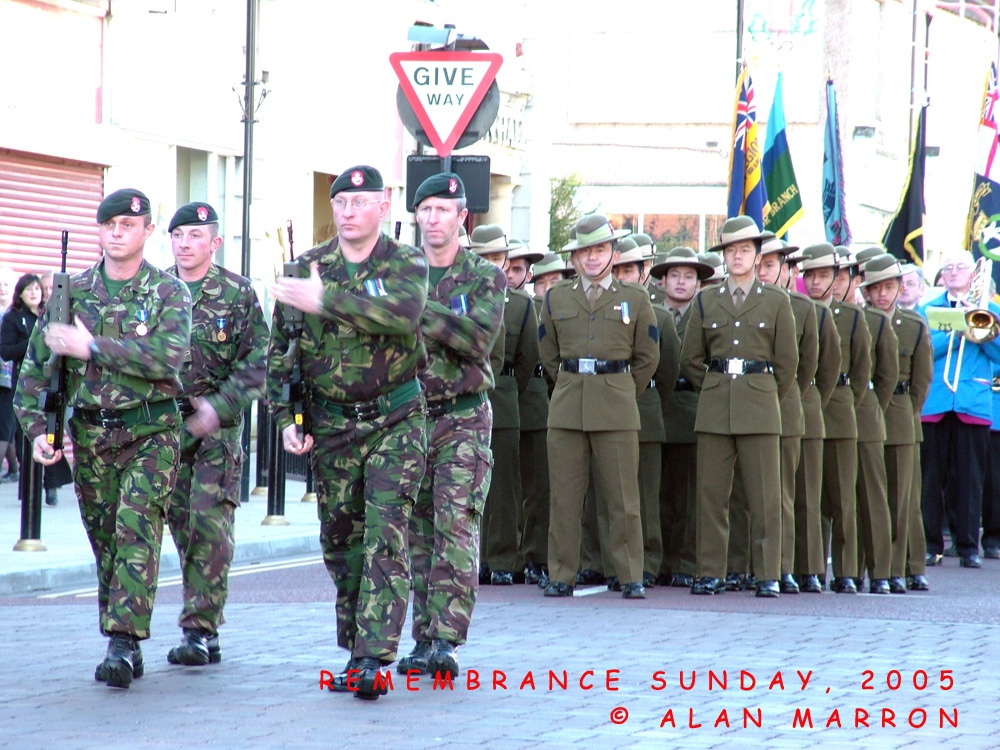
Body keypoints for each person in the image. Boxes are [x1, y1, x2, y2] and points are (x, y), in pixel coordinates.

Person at [15, 188, 191, 689]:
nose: (117, 233)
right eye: (109, 225)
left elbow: (167, 357)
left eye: (128, 225)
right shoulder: (71, 293)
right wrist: (37, 430)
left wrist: (91, 346)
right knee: (107, 540)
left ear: (147, 231)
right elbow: (34, 370)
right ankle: (123, 636)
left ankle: (122, 642)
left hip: (150, 431)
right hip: (92, 435)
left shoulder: (168, 292)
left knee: (136, 526)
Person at [268, 166, 428, 701]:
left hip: (395, 420)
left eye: (361, 202)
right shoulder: (307, 267)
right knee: (341, 541)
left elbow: (403, 315)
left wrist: (327, 301)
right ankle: (357, 646)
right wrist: (286, 420)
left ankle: (372, 658)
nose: (349, 211)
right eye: (341, 202)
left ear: (383, 206)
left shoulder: (404, 262)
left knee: (385, 531)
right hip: (332, 425)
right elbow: (280, 352)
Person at [398, 172, 504, 681]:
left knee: (455, 524)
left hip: (462, 417)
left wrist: (419, 308)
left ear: (463, 217)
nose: (433, 218)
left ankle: (447, 638)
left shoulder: (485, 276)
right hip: (409, 416)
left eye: (444, 210)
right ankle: (423, 637)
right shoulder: (400, 271)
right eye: (426, 209)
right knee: (416, 532)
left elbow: (478, 339)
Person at [164, 202, 268, 667]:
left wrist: (219, 407)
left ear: (215, 243)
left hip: (217, 431)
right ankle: (205, 620)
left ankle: (198, 630)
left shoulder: (237, 293)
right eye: (178, 235)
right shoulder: (157, 289)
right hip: (166, 429)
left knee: (209, 526)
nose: (185, 244)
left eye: (195, 235)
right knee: (181, 526)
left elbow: (258, 360)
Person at [538, 213, 659, 600]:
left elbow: (647, 357)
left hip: (616, 407)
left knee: (623, 498)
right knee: (565, 498)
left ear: (614, 254)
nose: (592, 257)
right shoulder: (556, 297)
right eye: (585, 251)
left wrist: (620, 389)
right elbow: (548, 354)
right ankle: (561, 573)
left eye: (600, 249)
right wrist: (572, 383)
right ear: (574, 258)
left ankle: (630, 575)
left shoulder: (635, 298)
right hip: (568, 407)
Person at [680, 216, 797, 598]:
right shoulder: (706, 299)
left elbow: (787, 364)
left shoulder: (776, 301)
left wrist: (763, 394)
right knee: (711, 497)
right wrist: (715, 387)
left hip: (760, 407)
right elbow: (691, 358)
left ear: (758, 256)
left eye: (745, 250)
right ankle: (711, 572)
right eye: (730, 250)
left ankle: (767, 574)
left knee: (765, 498)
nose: (737, 257)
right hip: (715, 407)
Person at [918, 248, 1000, 570]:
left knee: (970, 478)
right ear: (942, 275)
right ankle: (930, 545)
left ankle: (968, 547)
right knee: (931, 478)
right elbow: (923, 349)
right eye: (948, 267)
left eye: (961, 267)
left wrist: (979, 329)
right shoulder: (928, 310)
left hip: (972, 401)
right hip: (936, 401)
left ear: (973, 275)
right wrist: (955, 328)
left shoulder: (991, 310)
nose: (953, 272)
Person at [862, 253, 933, 591]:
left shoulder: (914, 325)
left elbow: (922, 380)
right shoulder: (859, 321)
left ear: (900, 288)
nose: (882, 294)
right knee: (871, 496)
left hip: (901, 414)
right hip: (866, 411)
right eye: (875, 288)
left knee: (903, 497)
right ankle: (877, 567)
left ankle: (907, 566)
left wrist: (907, 411)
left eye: (889, 287)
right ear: (866, 291)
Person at [471, 225, 537, 586]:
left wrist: (507, 388)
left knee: (504, 488)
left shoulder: (522, 305)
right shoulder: (455, 297)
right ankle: (474, 558)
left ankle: (502, 559)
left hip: (503, 398)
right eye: (485, 258)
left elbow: (528, 359)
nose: (492, 265)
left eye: (498, 258)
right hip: (462, 399)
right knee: (466, 483)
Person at [648, 247, 714, 588]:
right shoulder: (650, 313)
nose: (681, 282)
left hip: (691, 408)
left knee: (689, 496)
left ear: (699, 284)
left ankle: (687, 563)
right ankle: (659, 563)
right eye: (674, 275)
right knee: (656, 494)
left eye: (689, 277)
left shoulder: (705, 316)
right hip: (656, 408)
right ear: (662, 281)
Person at [0, 273, 73, 506]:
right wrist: (35, 343)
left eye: (37, 289)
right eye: (28, 289)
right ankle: (29, 489)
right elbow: (6, 351)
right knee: (26, 435)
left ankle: (52, 486)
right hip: (24, 383)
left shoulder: (50, 315)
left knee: (52, 431)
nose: (34, 293)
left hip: (53, 382)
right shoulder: (13, 318)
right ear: (20, 294)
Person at [504, 242, 551, 586]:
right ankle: (507, 557)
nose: (510, 275)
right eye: (506, 268)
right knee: (503, 487)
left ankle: (536, 556)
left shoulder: (538, 308)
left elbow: (539, 358)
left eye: (518, 269)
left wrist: (518, 388)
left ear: (529, 274)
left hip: (532, 399)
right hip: (503, 400)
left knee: (537, 487)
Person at [0, 266, 19, 483]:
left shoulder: (15, 315)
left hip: (9, 377)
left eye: (6, 285)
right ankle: (14, 469)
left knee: (5, 424)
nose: (2, 289)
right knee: (7, 426)